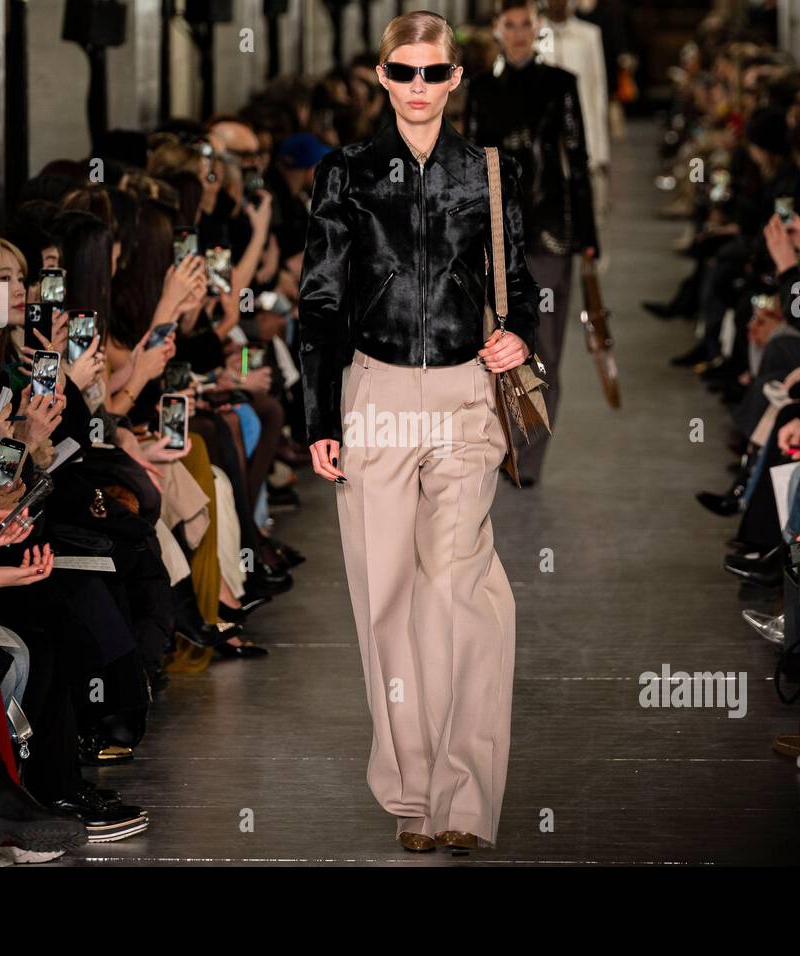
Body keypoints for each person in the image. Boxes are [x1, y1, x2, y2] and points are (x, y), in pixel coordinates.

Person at [298, 10, 541, 853]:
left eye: (433, 73)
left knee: (461, 592)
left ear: (455, 81)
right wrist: (318, 417)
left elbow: (521, 284)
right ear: (382, 75)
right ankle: (412, 794)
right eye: (403, 72)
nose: (418, 87)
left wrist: (521, 336)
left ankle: (465, 798)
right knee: (387, 600)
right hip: (372, 394)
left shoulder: (491, 172)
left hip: (467, 394)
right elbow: (320, 302)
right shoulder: (346, 174)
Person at [465, 0, 601, 486]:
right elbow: (472, 165)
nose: (519, 33)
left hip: (548, 233)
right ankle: (502, 442)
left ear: (536, 28)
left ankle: (529, 456)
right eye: (510, 25)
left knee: (541, 346)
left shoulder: (561, 85)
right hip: (497, 234)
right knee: (495, 343)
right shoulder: (480, 91)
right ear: (497, 30)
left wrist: (587, 238)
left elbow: (577, 162)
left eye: (527, 24)